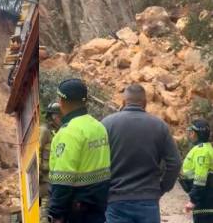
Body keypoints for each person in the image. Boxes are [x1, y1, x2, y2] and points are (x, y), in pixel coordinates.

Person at [101, 84, 182, 223]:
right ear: (145, 103)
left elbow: (97, 162)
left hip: (116, 200)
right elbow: (175, 163)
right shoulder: (159, 125)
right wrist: (163, 188)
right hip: (148, 200)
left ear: (123, 102)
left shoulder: (107, 124)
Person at [48, 78, 110, 223]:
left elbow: (63, 178)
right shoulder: (99, 127)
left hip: (76, 209)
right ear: (85, 101)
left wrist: (55, 213)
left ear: (61, 101)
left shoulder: (68, 132)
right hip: (98, 205)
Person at [180, 119, 213, 223]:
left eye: (191, 132)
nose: (190, 134)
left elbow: (201, 178)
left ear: (195, 134)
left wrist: (193, 200)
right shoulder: (206, 148)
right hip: (204, 196)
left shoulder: (201, 151)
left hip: (204, 199)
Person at [40, 102, 62, 223]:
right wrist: (38, 174)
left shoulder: (59, 132)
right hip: (44, 178)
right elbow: (36, 151)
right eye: (60, 116)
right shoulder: (44, 131)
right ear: (54, 116)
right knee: (45, 208)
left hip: (55, 177)